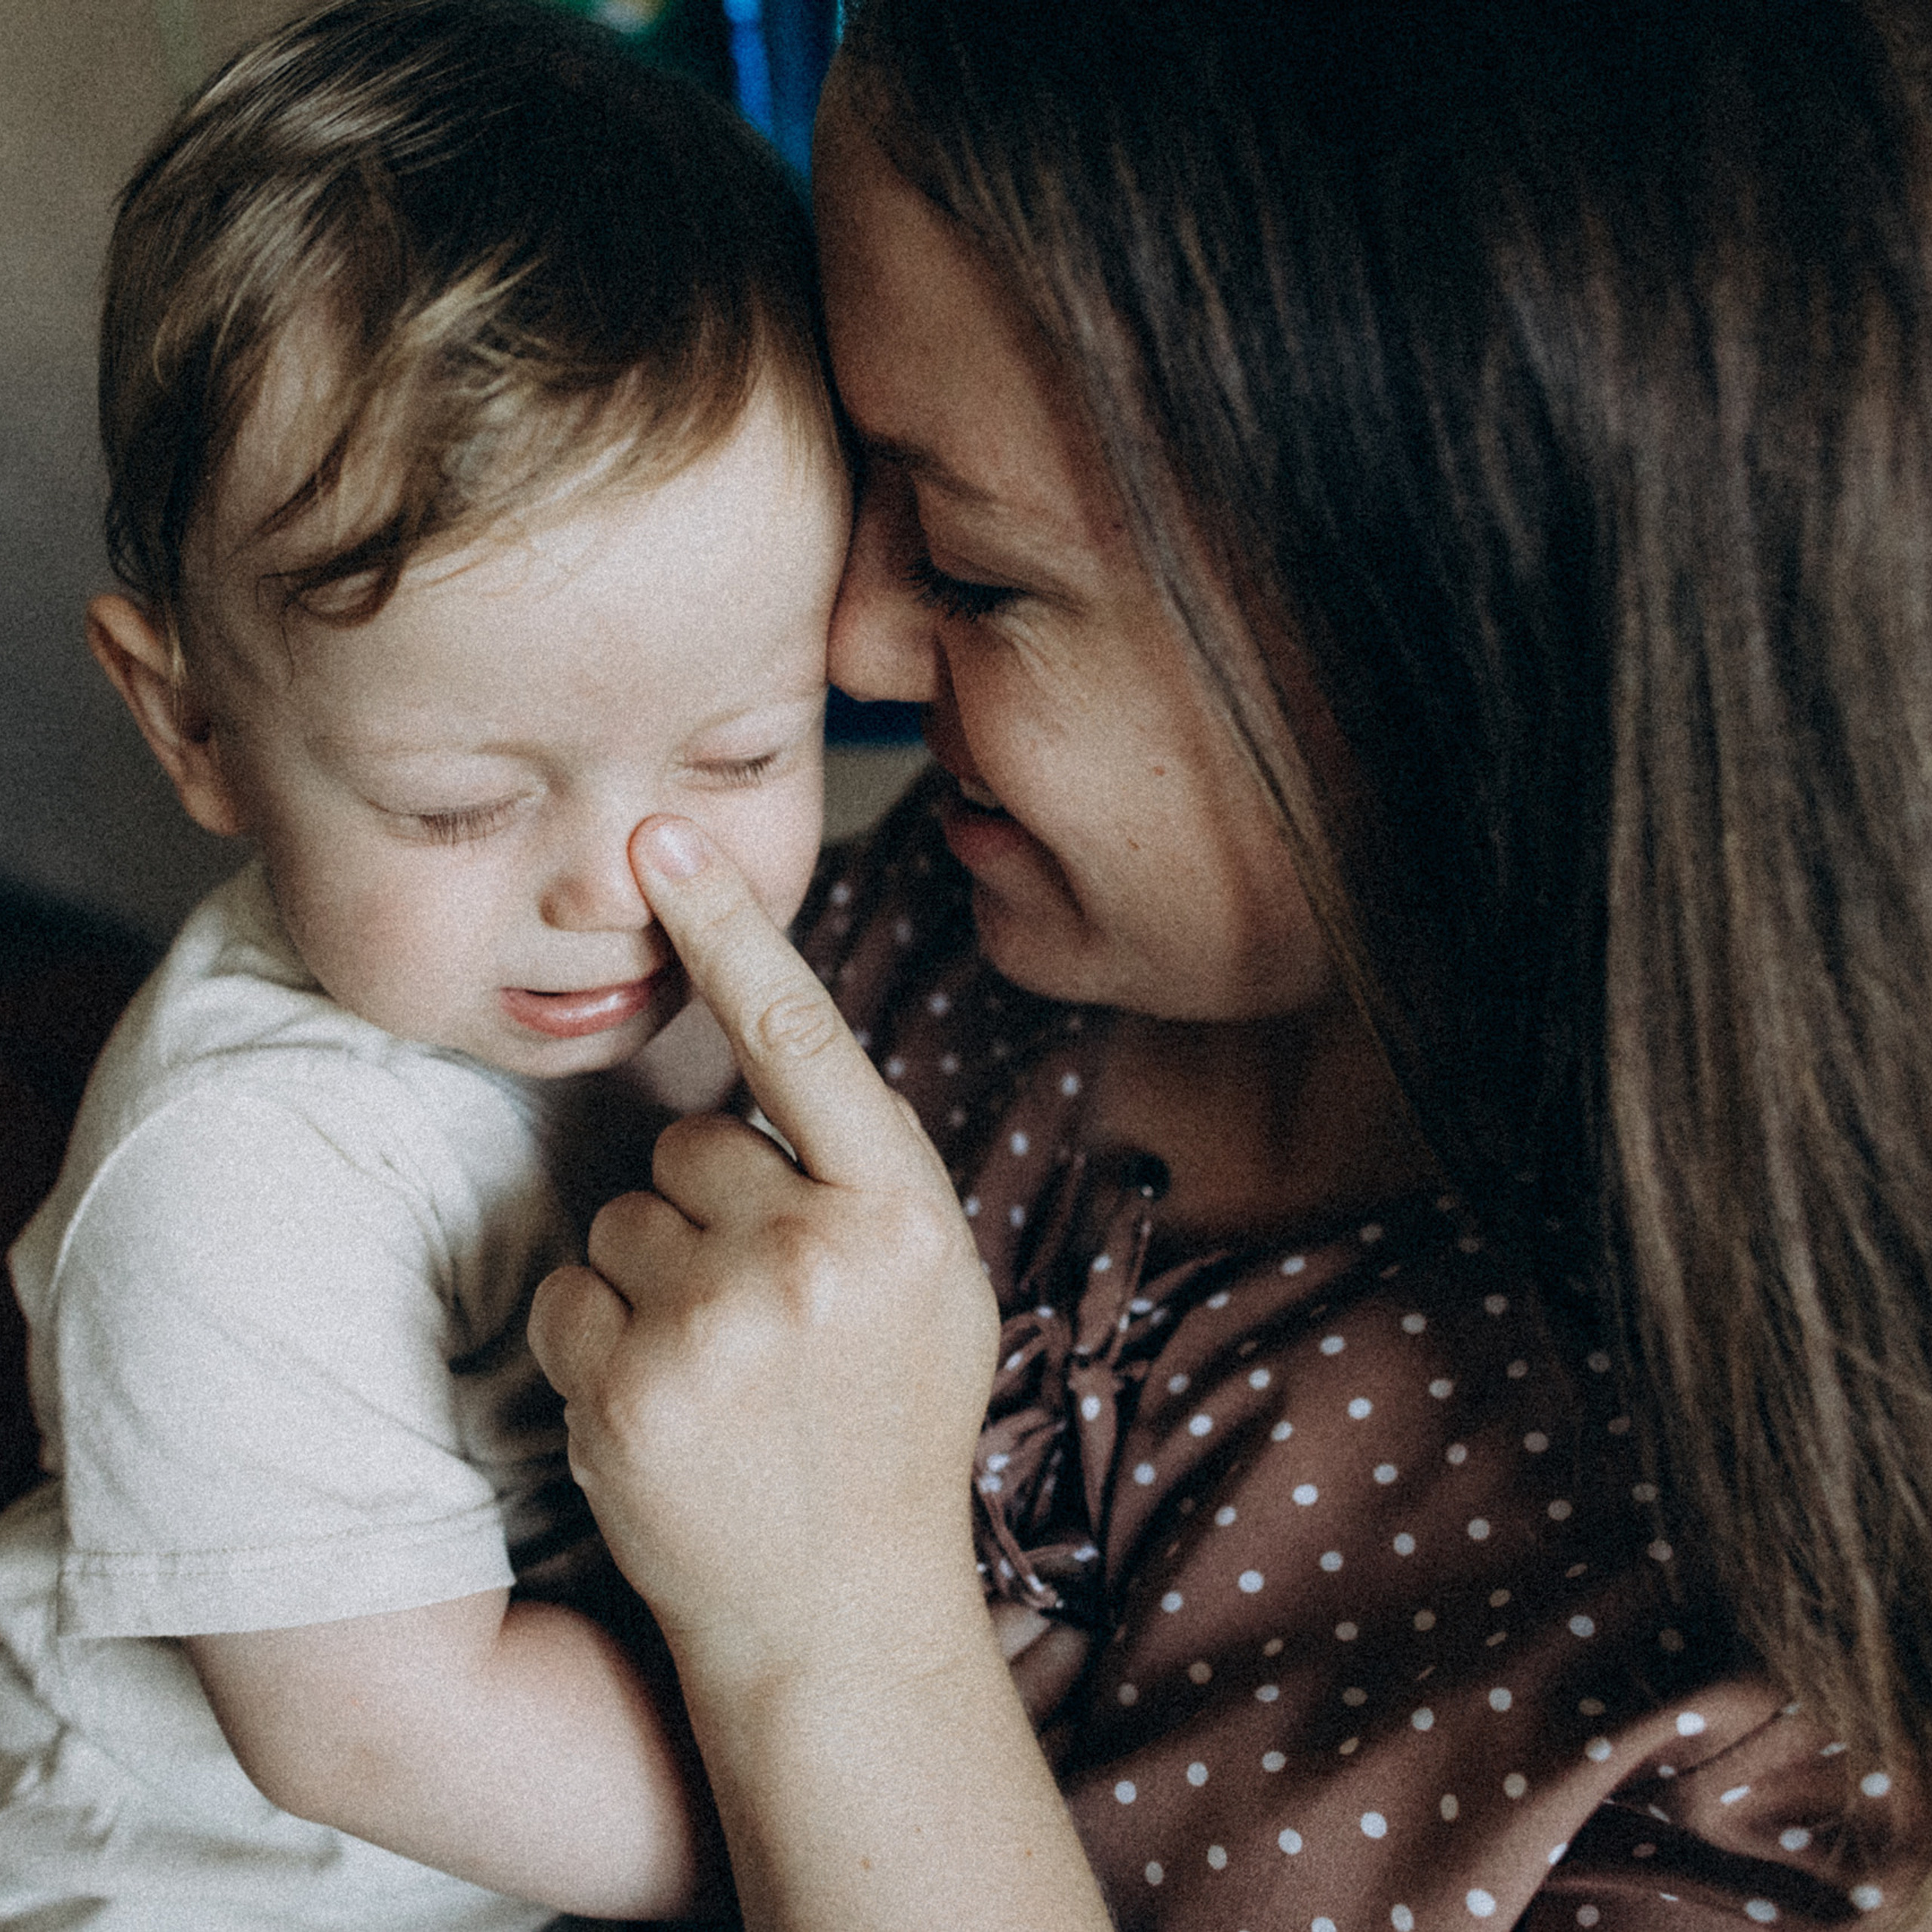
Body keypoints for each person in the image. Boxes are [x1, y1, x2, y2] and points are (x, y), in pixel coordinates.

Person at [530, 1, 1932, 1927]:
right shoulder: (952, 939)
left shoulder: (1780, 1686)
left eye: (974, 563)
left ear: (1460, 626)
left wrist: (839, 1648)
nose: (847, 644)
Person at [0, 2, 843, 1925]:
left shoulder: (636, 983)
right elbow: (376, 1731)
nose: (620, 886)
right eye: (458, 803)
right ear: (193, 719)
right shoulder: (232, 1181)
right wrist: (831, 1801)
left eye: (740, 753)